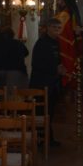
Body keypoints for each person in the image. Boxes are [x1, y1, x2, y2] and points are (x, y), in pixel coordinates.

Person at [29, 17, 66, 147]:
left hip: (52, 83)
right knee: (42, 112)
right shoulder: (42, 43)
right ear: (48, 28)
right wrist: (55, 69)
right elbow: (37, 64)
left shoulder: (56, 43)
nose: (57, 31)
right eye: (55, 28)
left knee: (50, 112)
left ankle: (48, 138)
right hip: (41, 84)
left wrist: (60, 68)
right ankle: (41, 139)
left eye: (59, 28)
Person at [55, 0, 83, 87]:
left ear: (64, 1)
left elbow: (57, 31)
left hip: (66, 50)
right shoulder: (70, 12)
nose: (58, 2)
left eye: (59, 0)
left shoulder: (65, 14)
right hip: (73, 49)